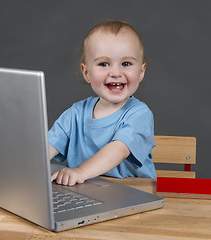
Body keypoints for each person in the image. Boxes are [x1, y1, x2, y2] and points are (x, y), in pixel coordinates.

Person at [49, 20, 156, 186]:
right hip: (85, 194)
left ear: (141, 72)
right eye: (103, 64)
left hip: (133, 195)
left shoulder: (139, 114)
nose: (115, 73)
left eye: (126, 64)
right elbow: (46, 148)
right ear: (86, 72)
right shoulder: (75, 113)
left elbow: (118, 150)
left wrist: (80, 172)